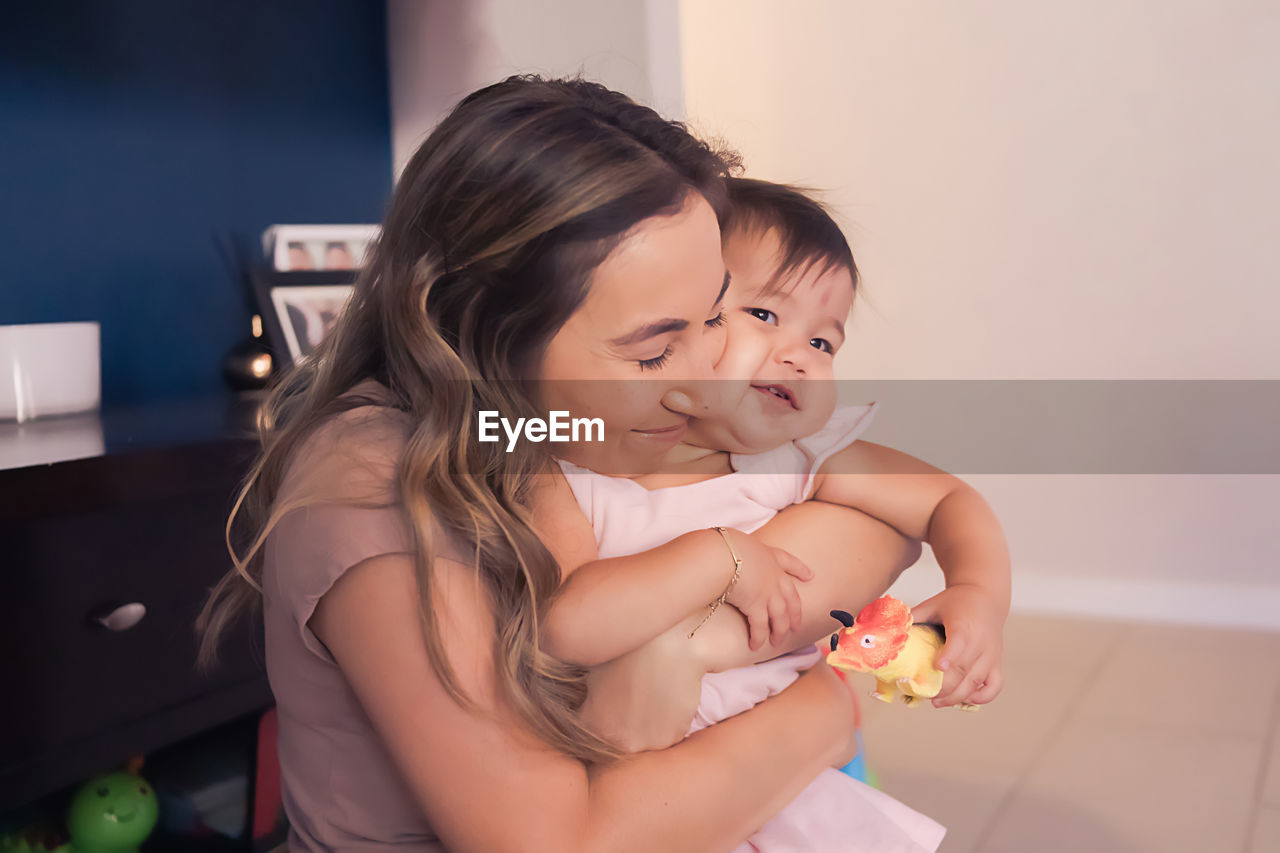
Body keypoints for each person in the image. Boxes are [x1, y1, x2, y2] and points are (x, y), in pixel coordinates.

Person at [198, 76, 918, 852]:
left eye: (715, 316)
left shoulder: (539, 423)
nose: (703, 376)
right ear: (480, 325)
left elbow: (883, 525)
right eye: (652, 350)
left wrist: (696, 640)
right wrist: (819, 717)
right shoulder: (376, 496)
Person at [543, 179, 1010, 850]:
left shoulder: (796, 460)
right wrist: (716, 558)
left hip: (783, 779)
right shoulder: (580, 468)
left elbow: (946, 499)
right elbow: (566, 626)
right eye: (764, 315)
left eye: (824, 343)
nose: (798, 354)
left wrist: (979, 593)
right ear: (675, 319)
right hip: (646, 790)